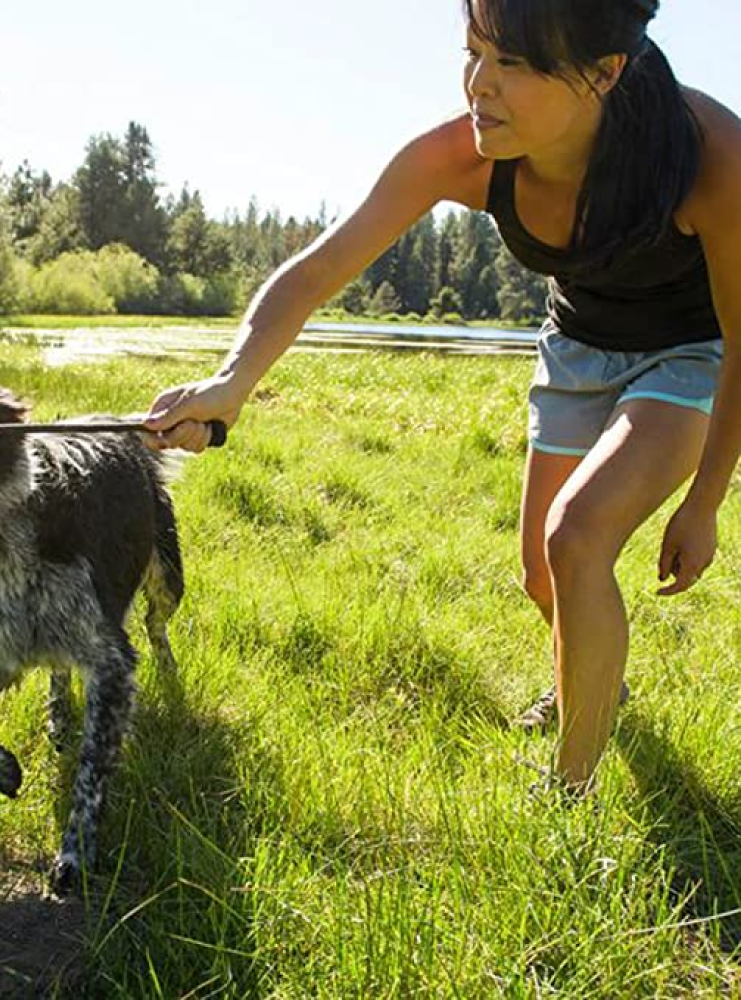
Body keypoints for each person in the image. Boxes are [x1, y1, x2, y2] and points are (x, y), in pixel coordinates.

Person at [142, 0, 741, 793]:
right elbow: (316, 271)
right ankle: (599, 688)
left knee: (576, 538)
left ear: (604, 72)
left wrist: (704, 502)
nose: (478, 87)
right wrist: (232, 383)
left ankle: (568, 795)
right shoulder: (460, 157)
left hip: (689, 354)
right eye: (473, 53)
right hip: (576, 348)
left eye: (515, 65)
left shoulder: (709, 154)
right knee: (540, 572)